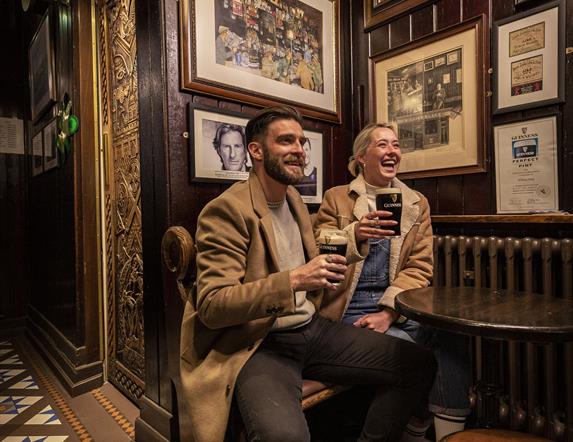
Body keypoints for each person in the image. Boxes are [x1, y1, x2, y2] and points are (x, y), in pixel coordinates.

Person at [180, 106, 436, 442]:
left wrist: (355, 236)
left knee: (419, 363)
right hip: (260, 342)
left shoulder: (294, 200)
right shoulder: (228, 209)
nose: (299, 149)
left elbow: (322, 253)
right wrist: (295, 280)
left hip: (311, 327)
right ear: (255, 151)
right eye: (286, 141)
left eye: (301, 142)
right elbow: (213, 306)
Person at [315, 123, 471, 442]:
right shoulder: (337, 199)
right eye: (383, 145)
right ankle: (411, 427)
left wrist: (388, 313)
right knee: (409, 352)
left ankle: (441, 433)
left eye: (396, 145)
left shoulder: (416, 202)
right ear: (362, 157)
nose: (392, 151)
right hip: (347, 309)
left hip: (397, 306)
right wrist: (354, 233)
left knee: (452, 334)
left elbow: (419, 265)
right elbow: (318, 247)